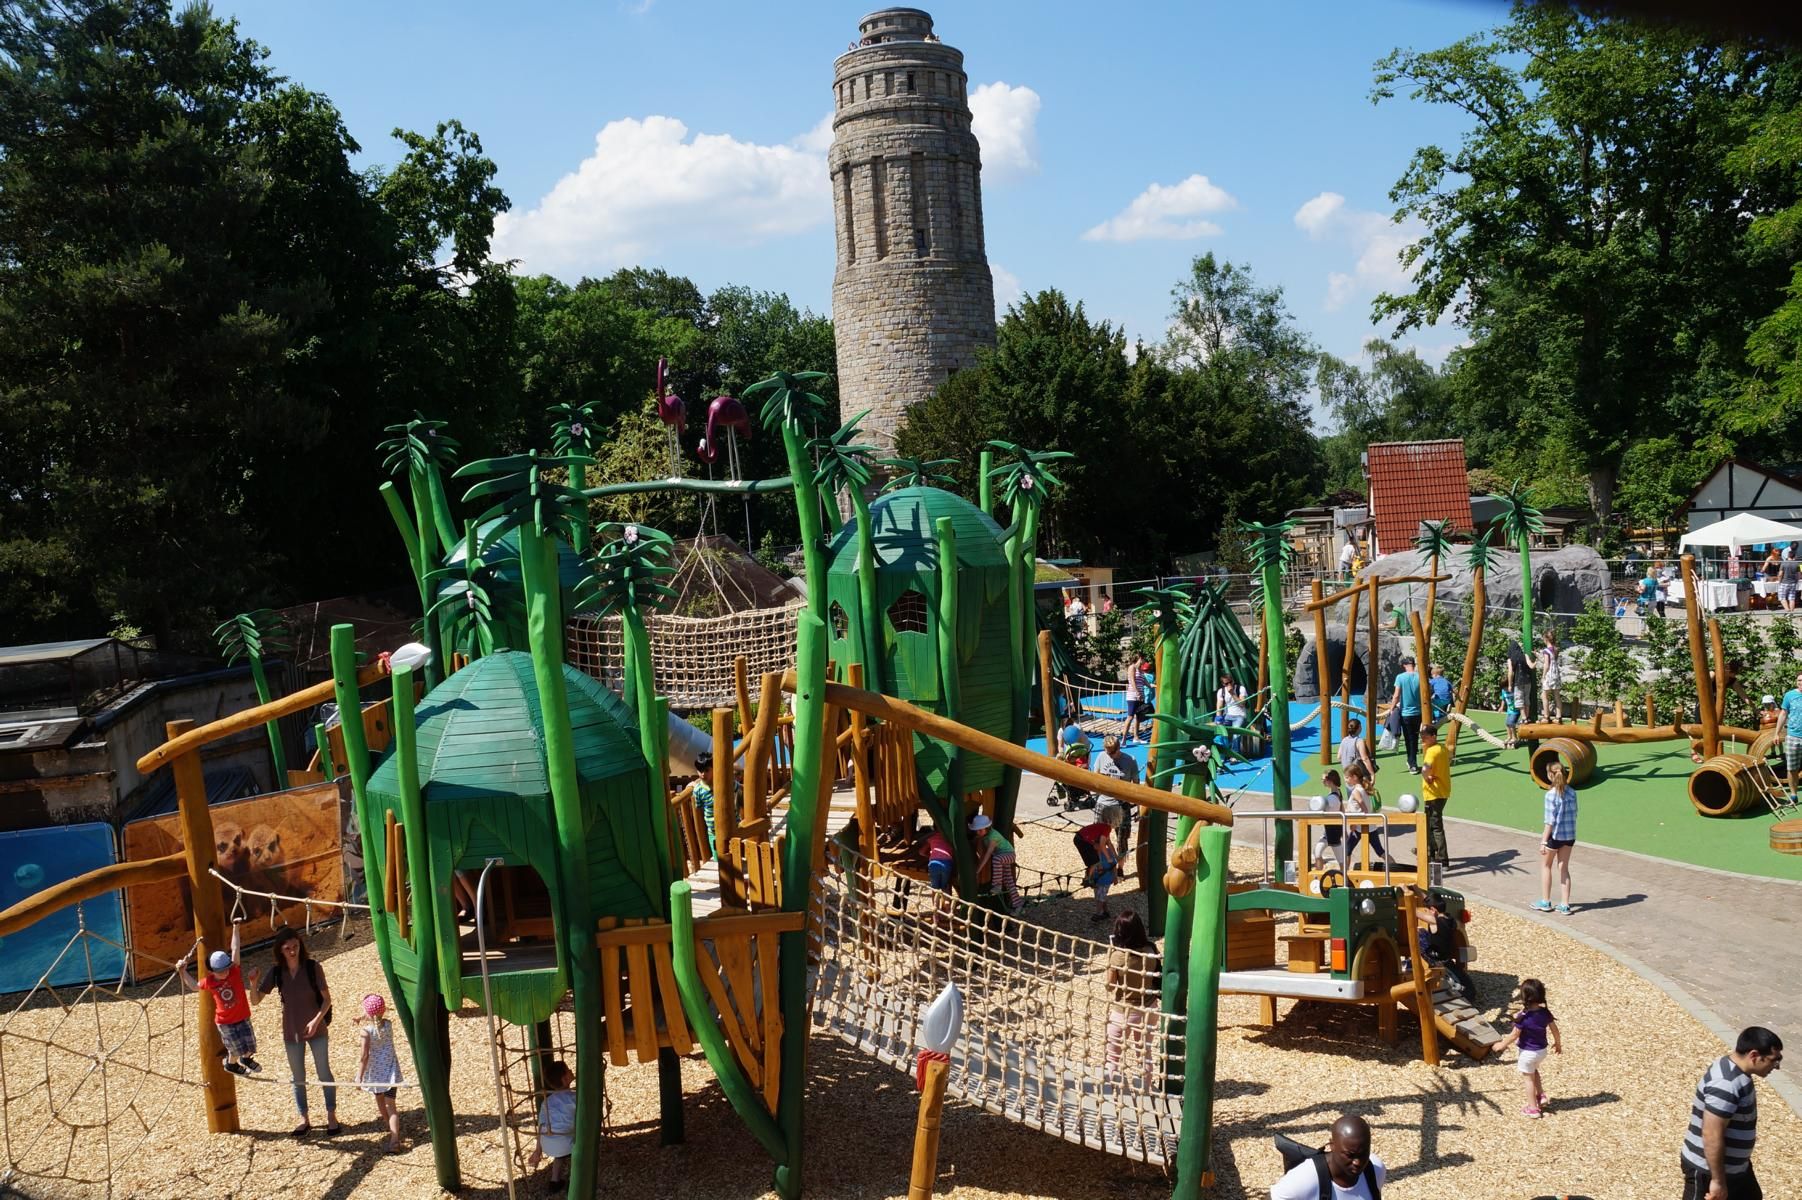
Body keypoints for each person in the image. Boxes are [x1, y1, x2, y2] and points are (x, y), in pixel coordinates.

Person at [252, 926, 339, 1137]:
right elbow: (255, 1001)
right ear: (280, 951)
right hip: (291, 1032)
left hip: (317, 1030)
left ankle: (331, 1115)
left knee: (323, 1072)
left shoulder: (313, 967)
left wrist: (316, 1020)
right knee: (297, 1076)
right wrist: (253, 983)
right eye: (287, 948)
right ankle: (304, 1118)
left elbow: (327, 1000)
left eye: (295, 946)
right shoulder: (276, 973)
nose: (292, 951)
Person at [1680, 1026, 1784, 1199]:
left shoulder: (1736, 1070)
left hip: (1735, 1169)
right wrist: (1718, 1181)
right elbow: (1711, 1134)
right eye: (1774, 1060)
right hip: (1708, 1171)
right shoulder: (1726, 1084)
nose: (1777, 1066)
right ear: (1754, 1055)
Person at [176, 921, 261, 1077]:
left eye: (226, 969)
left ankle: (247, 1060)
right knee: (235, 1048)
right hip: (225, 1021)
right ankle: (231, 1064)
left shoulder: (234, 970)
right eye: (220, 971)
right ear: (212, 971)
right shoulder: (210, 981)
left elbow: (235, 948)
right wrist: (183, 972)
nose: (225, 973)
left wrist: (235, 927)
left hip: (242, 1016)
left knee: (250, 1044)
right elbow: (194, 986)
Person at [1490, 978, 1562, 1119]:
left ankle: (1533, 1108)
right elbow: (1555, 1029)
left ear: (1524, 997)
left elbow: (1514, 1035)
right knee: (1534, 1071)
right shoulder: (1544, 1013)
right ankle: (1540, 1095)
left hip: (1528, 1053)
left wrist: (1501, 1045)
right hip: (1541, 1051)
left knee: (1528, 1079)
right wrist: (1558, 1043)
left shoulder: (1523, 1016)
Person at [1103, 912, 1160, 1087]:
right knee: (1144, 1053)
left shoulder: (1118, 956)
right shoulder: (1151, 950)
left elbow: (1110, 986)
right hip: (1149, 1008)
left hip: (1125, 1011)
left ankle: (1110, 1092)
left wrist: (1109, 959)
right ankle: (1146, 1090)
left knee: (1112, 1056)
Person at [1271, 1113, 1385, 1200]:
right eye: (1350, 1155)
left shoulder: (1375, 1169)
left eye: (1363, 1153)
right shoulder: (1306, 1178)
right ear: (1332, 1145)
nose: (1358, 1162)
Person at [356, 993, 405, 1154]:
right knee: (392, 1106)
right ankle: (395, 1139)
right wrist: (361, 1017)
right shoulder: (388, 1025)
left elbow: (364, 1056)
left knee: (381, 1103)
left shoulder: (366, 1031)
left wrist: (359, 1077)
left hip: (377, 1076)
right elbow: (375, 1017)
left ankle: (390, 1129)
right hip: (391, 1073)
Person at [1533, 760, 1577, 914]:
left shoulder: (1550, 795)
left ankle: (1545, 901)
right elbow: (1575, 814)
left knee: (1546, 866)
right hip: (1569, 836)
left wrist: (1543, 841)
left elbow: (1549, 822)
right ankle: (1565, 905)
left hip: (1555, 836)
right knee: (1564, 868)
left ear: (1550, 775)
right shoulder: (1572, 792)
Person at [529, 1060, 577, 1191]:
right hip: (566, 1143)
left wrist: (538, 1151)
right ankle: (576, 1180)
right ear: (565, 1079)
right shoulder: (574, 1098)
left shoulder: (547, 1101)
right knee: (577, 1146)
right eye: (569, 1070)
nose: (572, 1071)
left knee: (558, 1152)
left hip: (547, 1144)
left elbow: (541, 1126)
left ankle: (554, 1181)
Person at [1091, 735, 1138, 861]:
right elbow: (1096, 777)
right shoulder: (1101, 757)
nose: (1109, 756)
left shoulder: (1130, 760)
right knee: (1098, 837)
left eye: (1111, 753)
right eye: (1107, 752)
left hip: (1121, 806)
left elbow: (1136, 785)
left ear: (1118, 749)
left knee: (1122, 839)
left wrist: (1137, 805)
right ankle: (1101, 863)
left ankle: (1120, 868)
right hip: (1103, 803)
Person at [1073, 807, 1123, 922]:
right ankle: (1088, 880)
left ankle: (1100, 913)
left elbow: (1107, 845)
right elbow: (1102, 845)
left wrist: (1114, 858)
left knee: (1101, 897)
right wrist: (1111, 859)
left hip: (1104, 881)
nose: (1095, 847)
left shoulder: (1104, 830)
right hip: (1098, 880)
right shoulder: (1103, 833)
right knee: (1100, 896)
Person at [968, 813, 1022, 915]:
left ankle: (997, 885)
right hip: (1002, 858)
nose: (978, 832)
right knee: (1009, 881)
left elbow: (988, 854)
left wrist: (978, 870)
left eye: (980, 830)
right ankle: (1018, 905)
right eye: (977, 830)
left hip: (1008, 855)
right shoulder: (984, 836)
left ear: (987, 828)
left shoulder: (993, 837)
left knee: (996, 859)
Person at [1420, 724, 1451, 867]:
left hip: (1433, 793)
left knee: (1435, 825)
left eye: (1425, 736)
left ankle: (1442, 858)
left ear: (1433, 736)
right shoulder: (1443, 749)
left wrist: (1426, 777)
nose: (1423, 738)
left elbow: (1425, 769)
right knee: (1431, 823)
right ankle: (1430, 851)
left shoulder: (1431, 751)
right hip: (1443, 791)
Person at [1343, 761, 1385, 866]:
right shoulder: (1363, 789)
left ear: (1355, 777)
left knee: (1347, 850)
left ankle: (1345, 874)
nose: (1346, 779)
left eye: (1347, 777)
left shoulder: (1356, 791)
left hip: (1359, 827)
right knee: (1380, 851)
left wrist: (1355, 823)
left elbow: (1363, 808)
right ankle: (1393, 866)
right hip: (1369, 827)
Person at [1389, 657, 1423, 773]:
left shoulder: (1400, 677)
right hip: (1419, 713)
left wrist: (1392, 708)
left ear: (1404, 665)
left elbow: (1396, 695)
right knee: (1415, 738)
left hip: (1406, 713)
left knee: (1409, 739)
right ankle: (1412, 761)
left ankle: (1412, 763)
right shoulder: (1420, 676)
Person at [1312, 769, 1347, 871]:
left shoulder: (1331, 798)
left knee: (1339, 856)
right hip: (1331, 829)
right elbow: (1342, 809)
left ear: (1329, 780)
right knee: (1318, 852)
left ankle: (1343, 876)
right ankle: (1319, 874)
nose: (1322, 781)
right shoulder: (1337, 793)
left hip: (1332, 830)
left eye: (1323, 779)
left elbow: (1323, 811)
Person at [1505, 638, 1536, 732]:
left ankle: (1523, 718)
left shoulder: (1510, 659)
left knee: (1519, 700)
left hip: (1518, 682)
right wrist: (1537, 659)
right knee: (1526, 699)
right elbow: (1532, 666)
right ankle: (1527, 717)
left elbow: (1510, 672)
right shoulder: (1525, 655)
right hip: (1528, 681)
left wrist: (1510, 685)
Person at [1781, 670, 1802, 802]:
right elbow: (1783, 714)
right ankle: (1793, 795)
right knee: (1792, 768)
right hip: (1793, 737)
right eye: (1799, 680)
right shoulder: (1789, 696)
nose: (1801, 683)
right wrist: (1777, 733)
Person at [691, 751, 716, 857]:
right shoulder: (698, 790)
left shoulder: (726, 782)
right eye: (700, 771)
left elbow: (739, 790)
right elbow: (699, 807)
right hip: (713, 831)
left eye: (706, 770)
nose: (703, 774)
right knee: (719, 858)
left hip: (733, 827)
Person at [1122, 655, 1152, 743]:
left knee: (1138, 717)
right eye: (1144, 659)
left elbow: (1146, 683)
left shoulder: (1141, 671)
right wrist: (1137, 692)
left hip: (1140, 697)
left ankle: (1136, 737)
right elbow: (1132, 680)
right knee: (1130, 717)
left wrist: (1156, 686)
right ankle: (1123, 740)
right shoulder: (1132, 667)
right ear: (1140, 658)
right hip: (1132, 696)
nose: (1145, 661)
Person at [1338, 716, 1377, 784]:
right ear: (1358, 728)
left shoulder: (1344, 740)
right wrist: (1372, 774)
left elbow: (1339, 757)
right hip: (1357, 776)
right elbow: (1365, 758)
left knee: (1352, 794)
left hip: (1347, 775)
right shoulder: (1359, 741)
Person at [1537, 629, 1564, 724]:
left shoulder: (1545, 650)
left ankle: (1546, 716)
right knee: (1557, 696)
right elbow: (1551, 661)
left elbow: (1547, 664)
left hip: (1549, 674)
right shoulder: (1556, 649)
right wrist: (1538, 656)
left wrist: (1543, 676)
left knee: (1544, 695)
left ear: (1546, 639)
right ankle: (1558, 717)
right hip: (1556, 674)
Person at [1501, 681, 1521, 749]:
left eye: (1505, 688)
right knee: (1507, 723)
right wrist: (1501, 707)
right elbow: (1503, 699)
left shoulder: (1514, 690)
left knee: (1511, 723)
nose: (1505, 690)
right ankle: (1509, 736)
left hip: (1516, 710)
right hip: (1509, 710)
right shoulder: (1503, 691)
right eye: (1503, 688)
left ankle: (1514, 738)